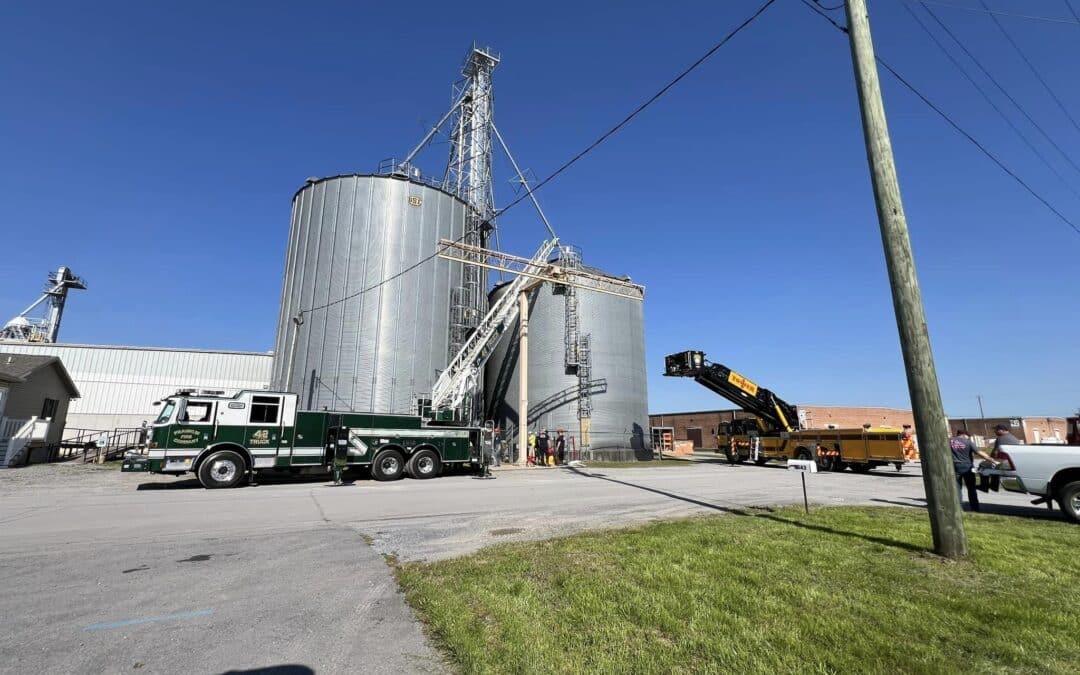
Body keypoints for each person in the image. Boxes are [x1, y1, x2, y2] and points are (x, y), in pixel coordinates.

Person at [950, 429, 996, 512]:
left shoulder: (949, 441)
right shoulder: (968, 442)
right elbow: (979, 453)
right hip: (967, 467)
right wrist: (991, 460)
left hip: (954, 466)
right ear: (964, 435)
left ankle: (958, 508)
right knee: (971, 488)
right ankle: (974, 508)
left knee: (957, 488)